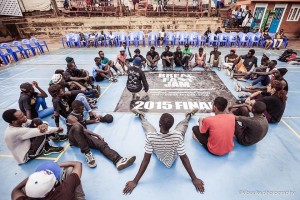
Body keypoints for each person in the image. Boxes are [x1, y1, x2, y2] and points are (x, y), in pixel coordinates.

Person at [123, 108, 205, 195]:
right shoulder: (178, 136)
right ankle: (189, 115)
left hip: (156, 148)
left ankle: (141, 116)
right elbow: (184, 158)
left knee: (147, 127)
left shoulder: (151, 137)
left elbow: (146, 160)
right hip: (174, 150)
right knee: (183, 126)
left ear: (159, 124)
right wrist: (194, 178)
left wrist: (135, 181)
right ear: (171, 126)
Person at [67, 100, 136, 168]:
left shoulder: (79, 113)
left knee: (101, 144)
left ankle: (118, 160)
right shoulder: (71, 117)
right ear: (76, 109)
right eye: (82, 108)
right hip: (74, 139)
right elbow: (82, 128)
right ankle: (87, 153)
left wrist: (94, 120)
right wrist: (97, 135)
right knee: (77, 127)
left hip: (83, 136)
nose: (84, 109)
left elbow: (83, 122)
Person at [12, 161, 85, 200]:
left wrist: (33, 178)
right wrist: (55, 165)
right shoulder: (64, 191)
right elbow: (77, 164)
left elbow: (15, 190)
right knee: (70, 169)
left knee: (23, 189)